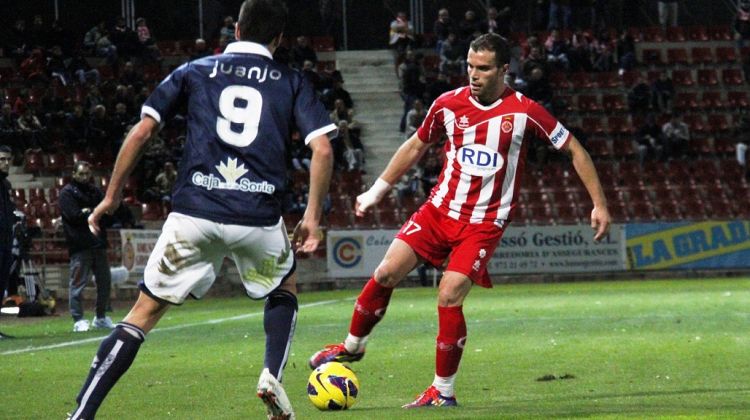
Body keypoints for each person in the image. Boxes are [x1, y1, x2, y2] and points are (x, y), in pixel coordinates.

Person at [309, 33, 611, 408]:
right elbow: (415, 146)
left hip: (484, 223)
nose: (474, 74)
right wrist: (376, 192)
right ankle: (352, 348)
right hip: (438, 212)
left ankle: (443, 391)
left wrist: (598, 204)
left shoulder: (525, 111)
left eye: (483, 68)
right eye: (470, 66)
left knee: (449, 294)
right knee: (386, 273)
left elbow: (574, 150)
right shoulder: (447, 104)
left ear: (504, 70)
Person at [66, 1, 335, 419]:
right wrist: (313, 217)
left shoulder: (194, 70)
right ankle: (270, 376)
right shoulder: (290, 80)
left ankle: (82, 414)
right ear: (279, 39)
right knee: (284, 289)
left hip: (194, 213)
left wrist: (111, 196)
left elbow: (142, 131)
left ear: (237, 29)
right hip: (257, 216)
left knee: (143, 313)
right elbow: (321, 148)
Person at [60, 161, 114, 333]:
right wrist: (93, 212)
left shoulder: (95, 191)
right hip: (80, 245)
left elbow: (105, 214)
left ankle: (101, 317)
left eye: (87, 174)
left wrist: (89, 212)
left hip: (98, 243)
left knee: (105, 282)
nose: (85, 177)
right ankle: (78, 319)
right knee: (78, 284)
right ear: (74, 174)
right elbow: (74, 216)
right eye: (81, 174)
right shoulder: (67, 193)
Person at [0, 145, 17, 340]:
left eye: (7, 159)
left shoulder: (5, 185)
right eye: (2, 159)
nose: (5, 163)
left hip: (5, 241)